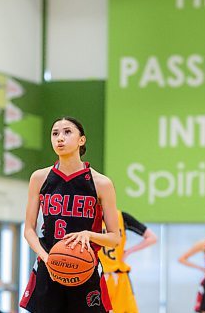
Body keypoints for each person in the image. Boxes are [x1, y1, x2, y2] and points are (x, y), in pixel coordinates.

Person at [21, 116, 121, 313]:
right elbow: (28, 230)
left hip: (85, 268)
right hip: (48, 265)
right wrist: (47, 258)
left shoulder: (101, 183)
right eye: (55, 133)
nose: (60, 138)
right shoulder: (39, 178)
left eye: (67, 132)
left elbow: (114, 238)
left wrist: (88, 235)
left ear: (81, 140)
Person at [98, 210, 157, 313]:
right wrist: (128, 252)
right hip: (104, 277)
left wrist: (128, 251)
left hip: (115, 276)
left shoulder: (120, 217)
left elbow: (153, 238)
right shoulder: (120, 216)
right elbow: (152, 237)